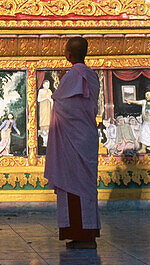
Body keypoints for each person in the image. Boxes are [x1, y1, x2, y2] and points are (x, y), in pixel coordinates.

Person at [44, 36, 100, 249]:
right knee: (85, 186)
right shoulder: (91, 75)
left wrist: (60, 84)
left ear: (68, 54)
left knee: (75, 185)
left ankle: (83, 236)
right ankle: (85, 235)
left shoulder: (73, 76)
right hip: (86, 136)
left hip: (73, 140)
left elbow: (62, 104)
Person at [127, 89, 150, 154]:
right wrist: (130, 101)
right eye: (145, 95)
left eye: (148, 94)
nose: (146, 96)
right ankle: (143, 149)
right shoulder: (144, 102)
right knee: (144, 133)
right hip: (147, 122)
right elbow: (137, 102)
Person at [37, 76, 54, 149]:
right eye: (46, 84)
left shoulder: (49, 91)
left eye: (48, 85)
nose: (47, 86)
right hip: (43, 108)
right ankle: (44, 141)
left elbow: (52, 100)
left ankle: (48, 142)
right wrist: (45, 98)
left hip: (48, 108)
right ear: (43, 85)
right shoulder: (41, 91)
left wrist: (49, 99)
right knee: (43, 122)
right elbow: (38, 99)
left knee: (49, 122)